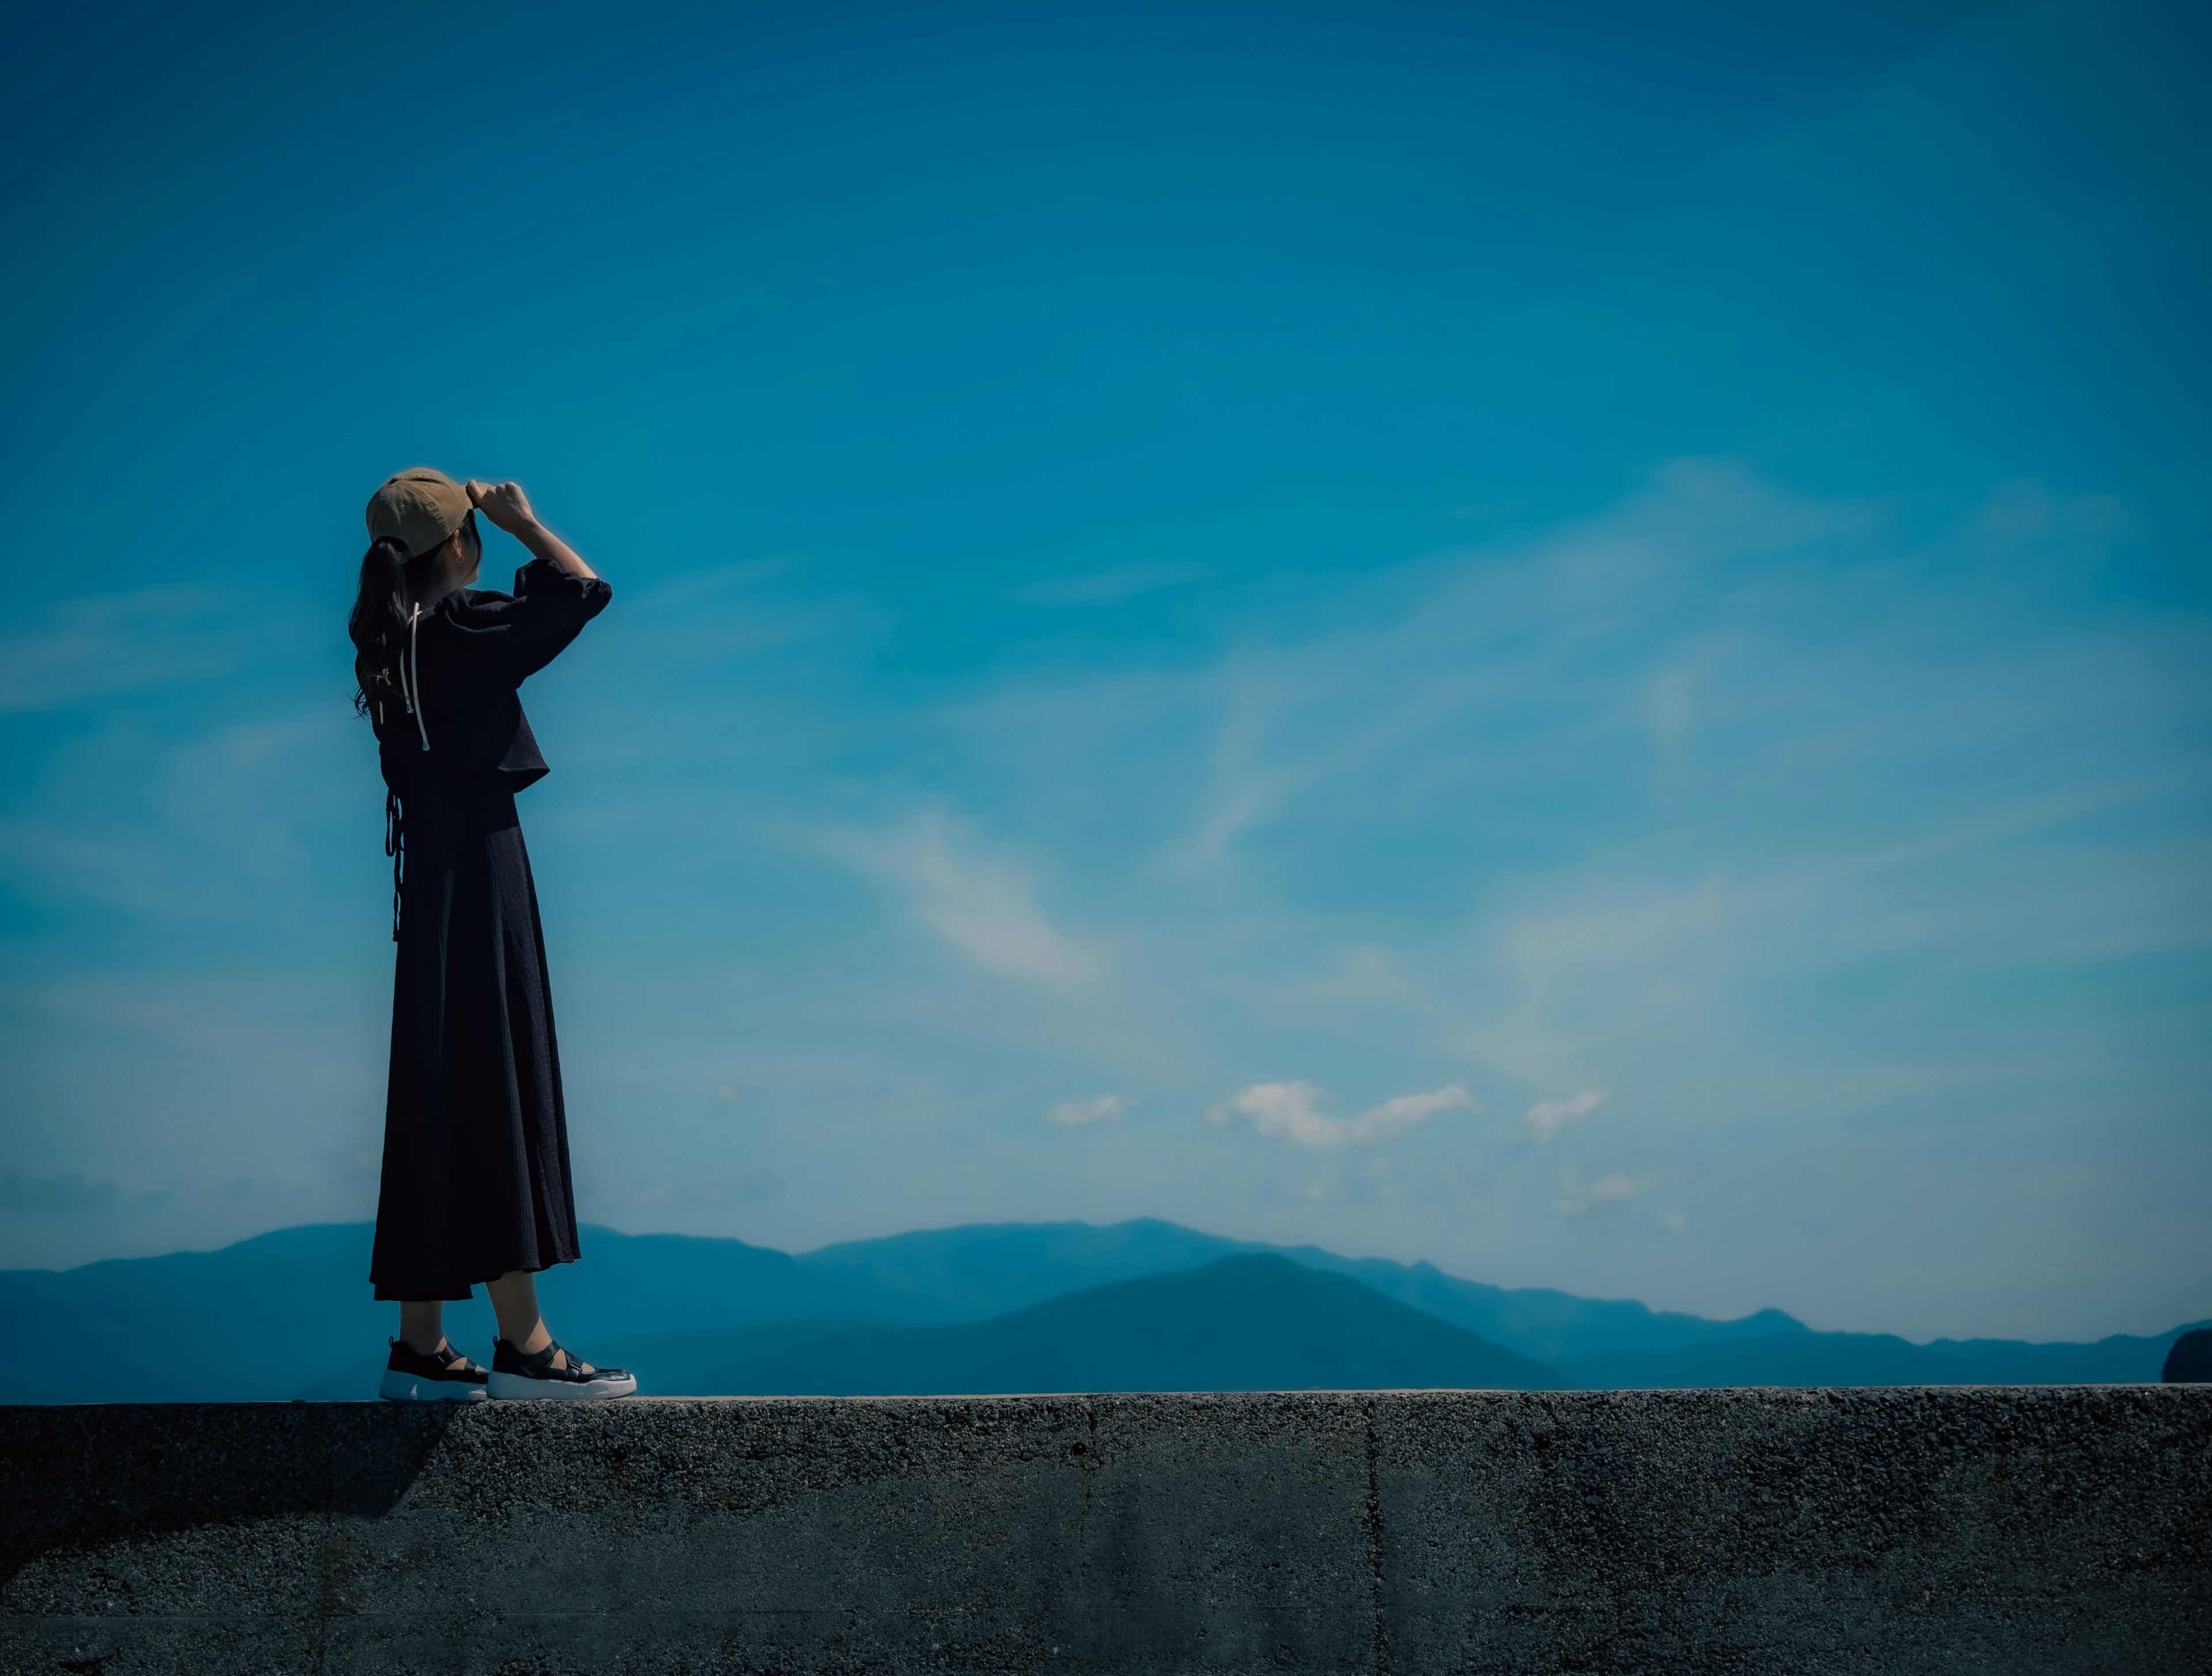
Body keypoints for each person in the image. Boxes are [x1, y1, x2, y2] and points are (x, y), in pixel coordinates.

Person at [347, 467, 636, 1401]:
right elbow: (586, 592)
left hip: (431, 885)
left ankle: (421, 1345)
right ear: (461, 546)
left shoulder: (390, 644)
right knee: (496, 1078)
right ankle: (527, 1347)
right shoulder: (462, 630)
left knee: (438, 1087)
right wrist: (527, 521)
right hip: (483, 872)